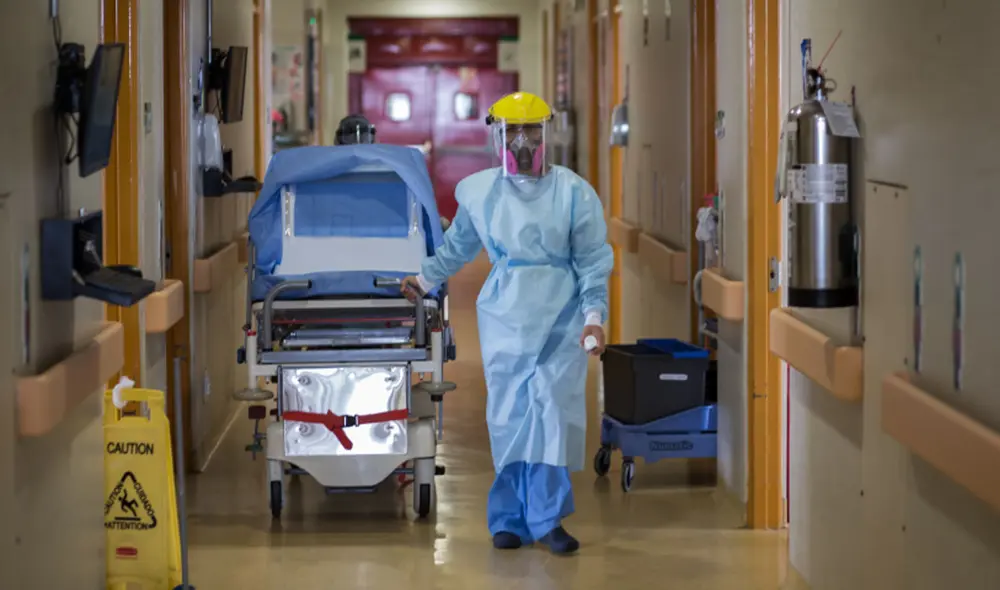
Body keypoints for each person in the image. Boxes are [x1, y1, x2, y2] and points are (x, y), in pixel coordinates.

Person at [400, 92, 613, 555]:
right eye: (512, 132)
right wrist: (422, 279)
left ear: (547, 134)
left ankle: (549, 519)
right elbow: (458, 247)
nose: (522, 142)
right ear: (495, 136)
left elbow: (593, 262)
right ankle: (510, 519)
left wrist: (594, 318)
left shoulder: (574, 193)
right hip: (506, 317)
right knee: (510, 417)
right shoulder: (481, 192)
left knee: (552, 413)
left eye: (532, 132)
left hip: (562, 316)